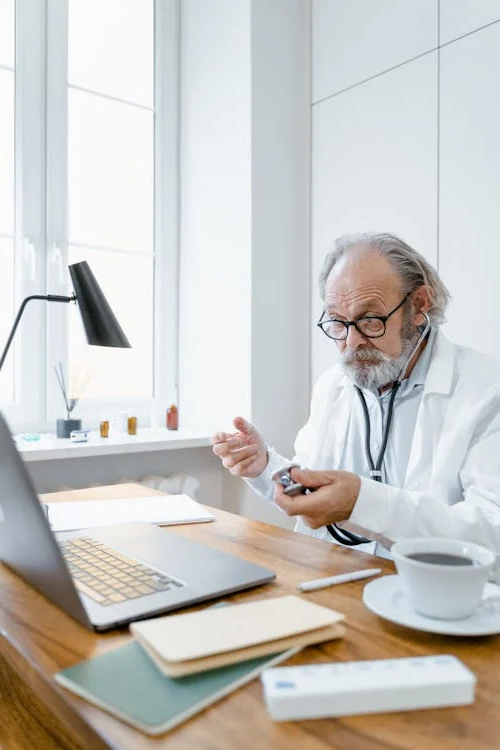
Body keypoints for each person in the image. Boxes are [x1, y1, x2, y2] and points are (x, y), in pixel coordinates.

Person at [212, 233, 500, 563]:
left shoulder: (487, 389)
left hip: (435, 598)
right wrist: (264, 465)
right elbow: (315, 481)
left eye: (369, 320)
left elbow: (492, 532)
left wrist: (363, 502)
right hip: (334, 578)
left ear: (419, 305)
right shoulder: (333, 385)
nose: (351, 342)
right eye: (337, 322)